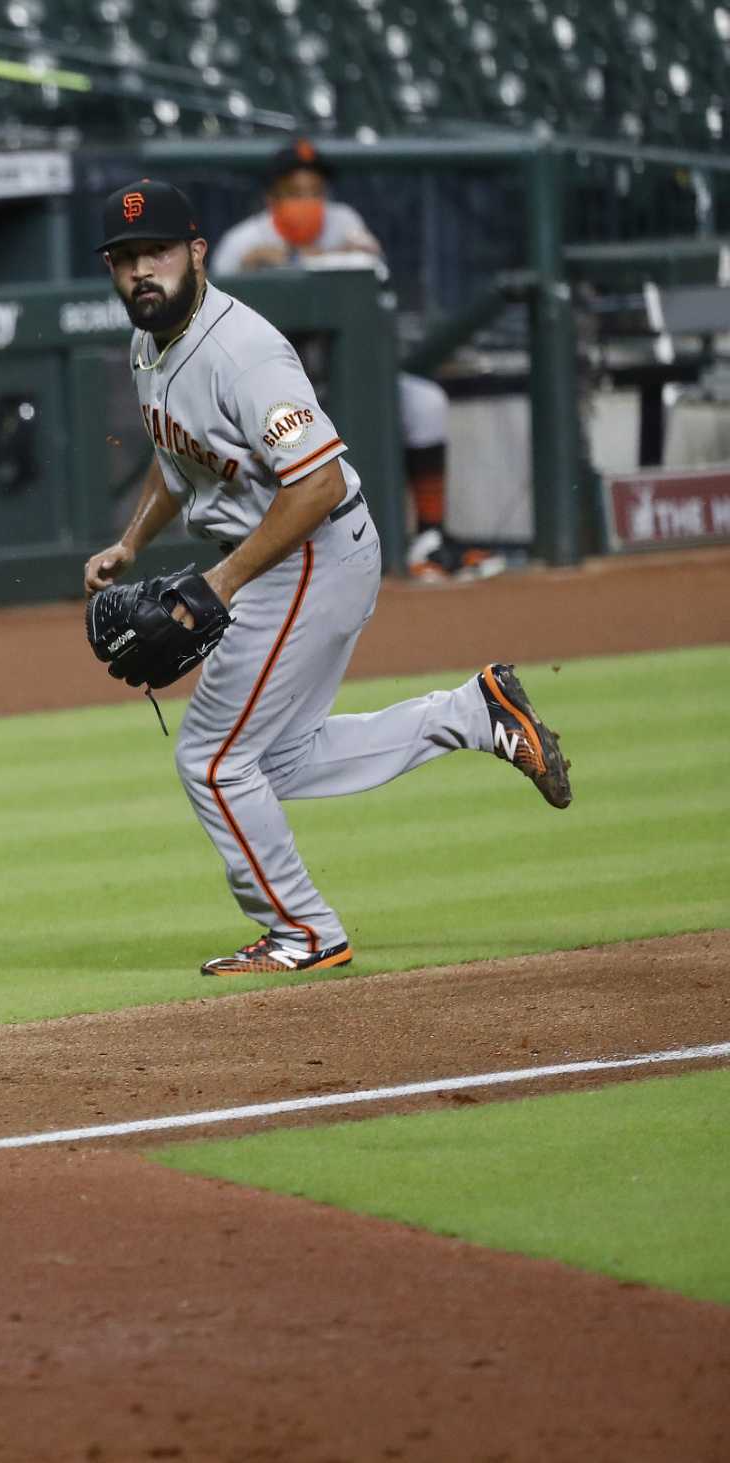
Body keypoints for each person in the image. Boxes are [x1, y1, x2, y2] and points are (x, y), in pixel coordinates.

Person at [83, 179, 572, 977]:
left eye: (157, 252)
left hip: (306, 553)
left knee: (211, 759)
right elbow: (178, 463)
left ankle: (302, 931)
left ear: (197, 253)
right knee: (274, 760)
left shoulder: (245, 354)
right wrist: (131, 543)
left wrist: (223, 583)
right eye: (126, 258)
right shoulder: (149, 343)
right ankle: (474, 713)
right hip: (287, 557)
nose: (142, 271)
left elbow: (312, 484)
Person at [206, 139, 477, 580]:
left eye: (315, 190)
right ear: (270, 197)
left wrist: (297, 263)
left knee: (425, 403)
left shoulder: (345, 222)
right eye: (294, 191)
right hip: (271, 396)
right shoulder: (243, 242)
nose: (307, 201)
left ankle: (429, 537)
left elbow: (375, 276)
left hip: (345, 380)